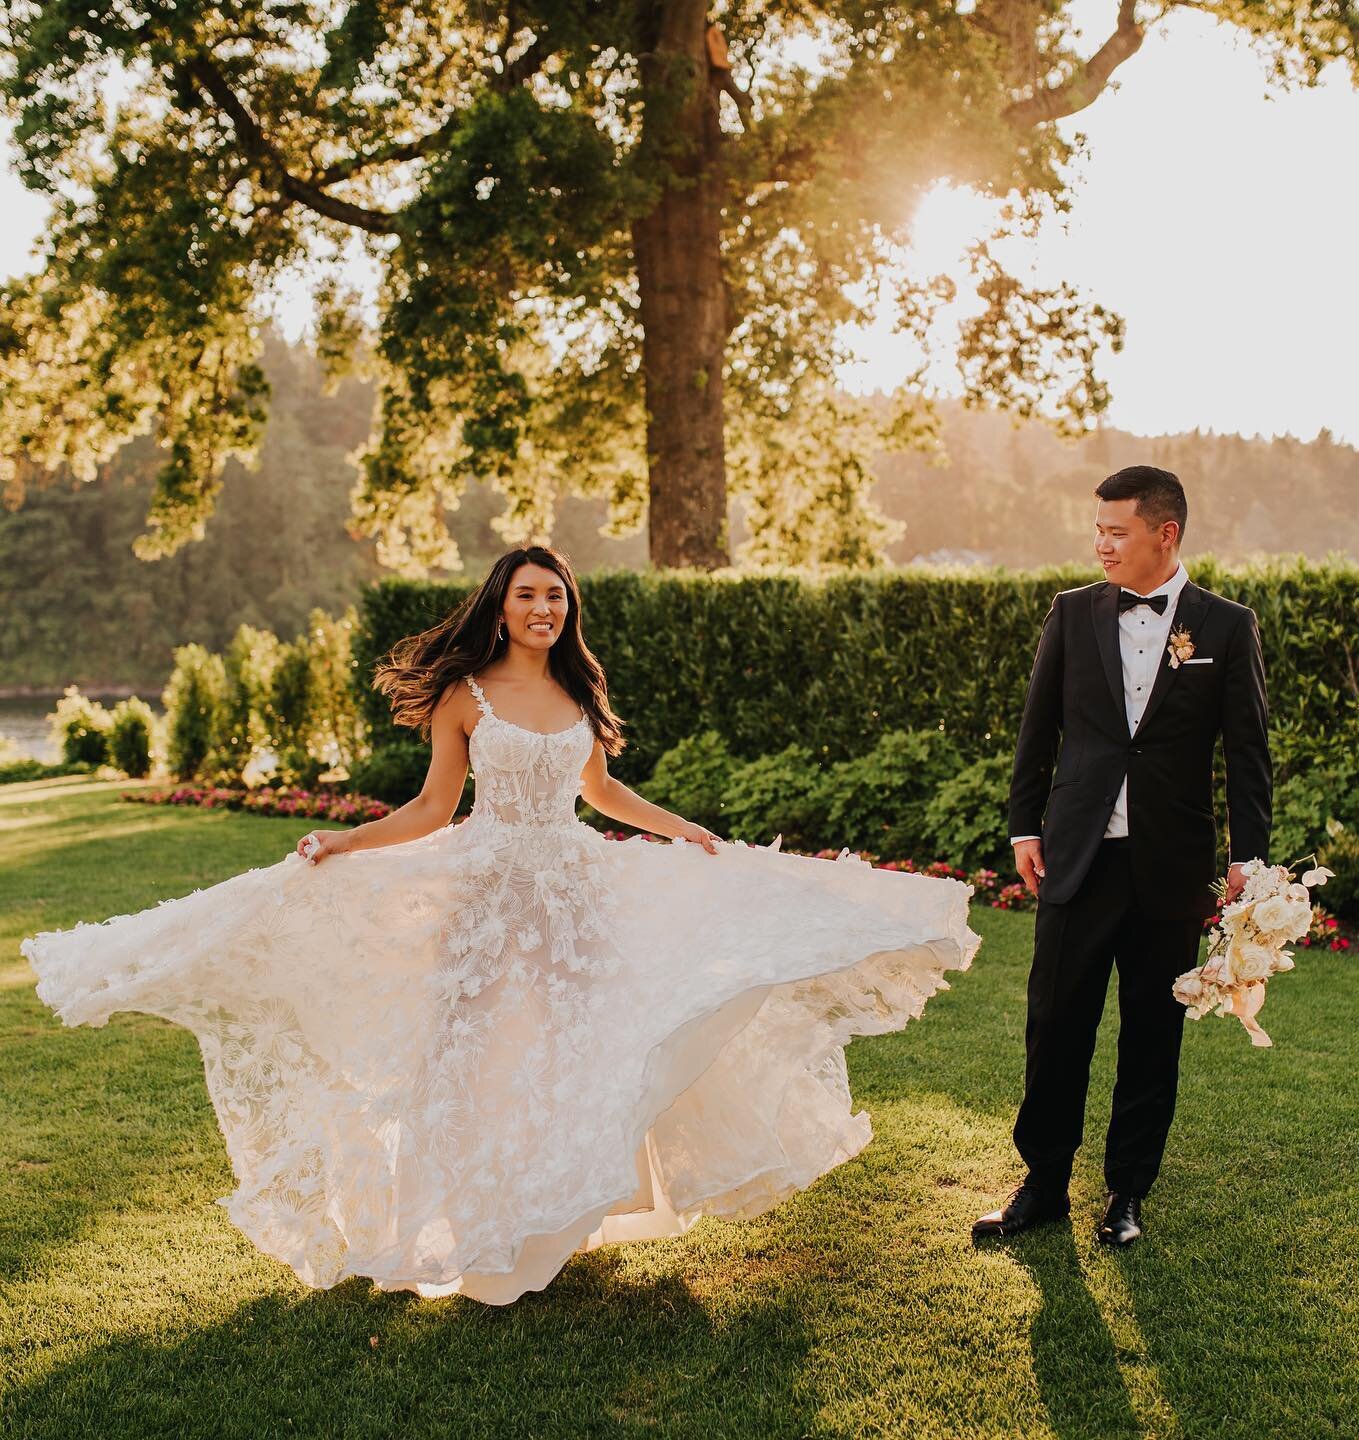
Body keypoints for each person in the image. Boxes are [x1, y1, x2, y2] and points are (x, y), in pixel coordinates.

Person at [24, 546, 978, 1304]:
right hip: (486, 895)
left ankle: (561, 1216)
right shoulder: (465, 694)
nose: (543, 610)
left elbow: (599, 789)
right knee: (467, 1051)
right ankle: (458, 1226)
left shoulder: (578, 691)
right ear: (500, 602)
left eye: (556, 597)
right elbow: (436, 809)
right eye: (528, 595)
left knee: (577, 1047)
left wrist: (681, 828)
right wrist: (347, 844)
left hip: (574, 895)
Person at [973, 468, 1271, 1247]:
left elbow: (1248, 754)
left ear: (1164, 535)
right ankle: (1041, 1184)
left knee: (1151, 1033)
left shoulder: (1227, 627)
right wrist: (1023, 828)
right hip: (1078, 857)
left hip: (1169, 866)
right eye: (1097, 530)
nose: (1100, 544)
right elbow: (1037, 729)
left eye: (1116, 532)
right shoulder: (1070, 615)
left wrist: (1251, 856)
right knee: (1055, 1023)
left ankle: (1127, 1193)